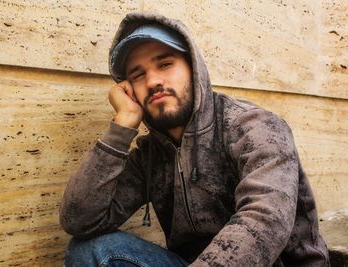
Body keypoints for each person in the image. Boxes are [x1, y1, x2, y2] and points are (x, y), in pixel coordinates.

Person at [60, 12, 330, 266]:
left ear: (194, 69)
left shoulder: (254, 126)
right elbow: (80, 220)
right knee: (89, 249)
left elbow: (264, 220)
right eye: (138, 75)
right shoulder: (150, 154)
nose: (153, 81)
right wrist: (122, 126)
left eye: (165, 64)